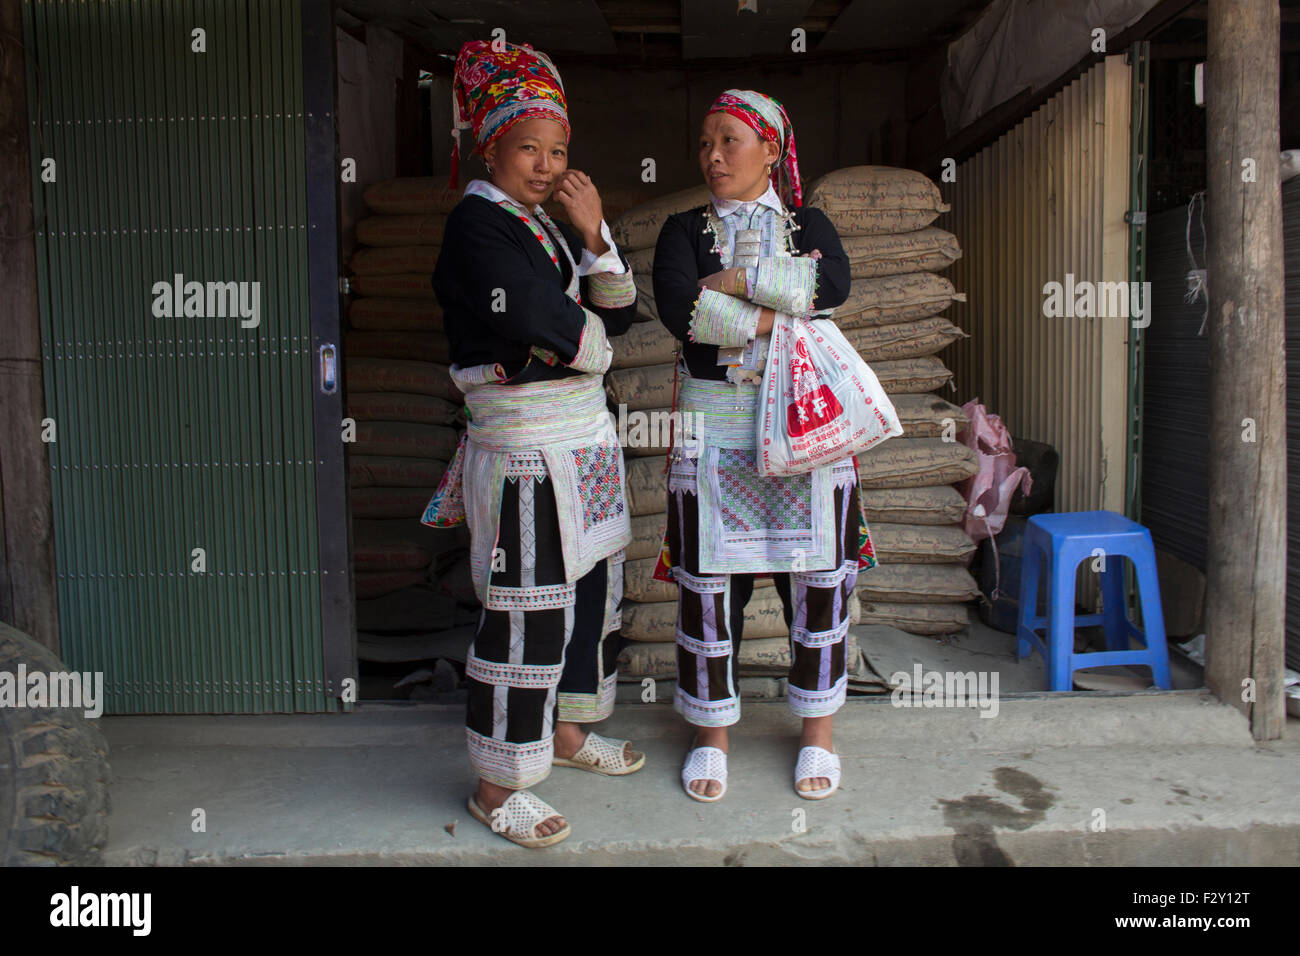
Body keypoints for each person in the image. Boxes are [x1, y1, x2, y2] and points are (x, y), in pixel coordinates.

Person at [422, 39, 642, 848]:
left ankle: (569, 733)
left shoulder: (545, 228)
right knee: (524, 612)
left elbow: (614, 315)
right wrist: (583, 342)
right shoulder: (475, 227)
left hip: (578, 444)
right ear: (491, 146)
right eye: (529, 149)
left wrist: (592, 231)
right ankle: (497, 782)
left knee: (588, 593)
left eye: (558, 152)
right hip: (524, 458)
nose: (547, 166)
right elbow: (528, 318)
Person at [651, 89, 876, 803]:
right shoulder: (682, 228)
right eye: (705, 143)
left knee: (815, 585)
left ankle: (817, 733)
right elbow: (681, 309)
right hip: (715, 434)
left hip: (804, 436)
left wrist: (741, 280)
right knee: (712, 589)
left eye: (730, 141)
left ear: (771, 152)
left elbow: (832, 283)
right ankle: (711, 734)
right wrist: (783, 320)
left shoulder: (808, 223)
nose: (713, 155)